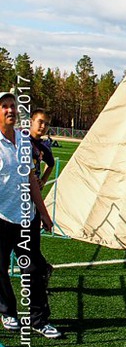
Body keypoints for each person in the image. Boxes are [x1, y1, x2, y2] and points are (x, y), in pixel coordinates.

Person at [0, 92, 61, 339]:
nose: (10, 110)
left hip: (27, 217)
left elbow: (32, 180)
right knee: (0, 269)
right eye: (4, 106)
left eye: (13, 106)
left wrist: (44, 214)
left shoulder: (25, 142)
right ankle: (8, 312)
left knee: (34, 270)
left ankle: (39, 320)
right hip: (2, 219)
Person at [29, 109, 55, 287]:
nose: (43, 126)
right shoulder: (21, 140)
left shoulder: (44, 147)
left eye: (46, 123)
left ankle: (41, 272)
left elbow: (51, 164)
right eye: (40, 122)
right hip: (16, 197)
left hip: (32, 200)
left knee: (32, 242)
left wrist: (43, 182)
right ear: (31, 121)